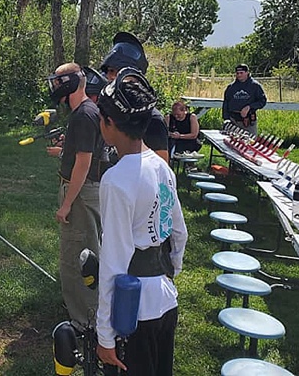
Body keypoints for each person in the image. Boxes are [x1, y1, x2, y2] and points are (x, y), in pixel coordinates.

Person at [95, 68, 188, 376]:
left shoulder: (116, 180)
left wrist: (105, 335)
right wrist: (171, 271)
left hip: (133, 309)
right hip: (166, 299)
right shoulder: (162, 168)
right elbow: (179, 232)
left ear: (110, 123)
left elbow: (113, 260)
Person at [46, 63, 105, 328]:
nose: (55, 86)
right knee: (82, 252)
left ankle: (85, 322)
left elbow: (84, 163)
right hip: (82, 190)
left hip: (80, 193)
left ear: (70, 82)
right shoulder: (85, 111)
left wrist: (67, 204)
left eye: (58, 81)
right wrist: (64, 149)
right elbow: (83, 151)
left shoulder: (83, 115)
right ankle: (84, 311)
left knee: (79, 257)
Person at [99, 32, 169, 163]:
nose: (109, 76)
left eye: (115, 71)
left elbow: (160, 165)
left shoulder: (153, 119)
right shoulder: (111, 110)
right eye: (108, 71)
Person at [222, 63, 267, 135]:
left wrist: (249, 107)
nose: (239, 75)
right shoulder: (231, 87)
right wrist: (226, 118)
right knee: (230, 141)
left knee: (250, 140)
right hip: (233, 120)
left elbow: (262, 101)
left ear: (247, 73)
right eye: (237, 73)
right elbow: (226, 103)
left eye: (241, 73)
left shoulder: (255, 86)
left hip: (248, 121)